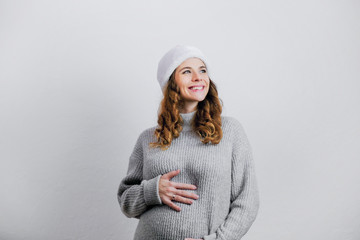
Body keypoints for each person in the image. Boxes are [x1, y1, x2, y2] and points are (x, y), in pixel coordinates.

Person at [117, 45, 260, 240]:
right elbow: (126, 202)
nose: (198, 77)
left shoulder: (230, 131)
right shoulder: (148, 138)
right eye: (187, 71)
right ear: (170, 83)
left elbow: (247, 201)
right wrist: (152, 190)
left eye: (202, 70)